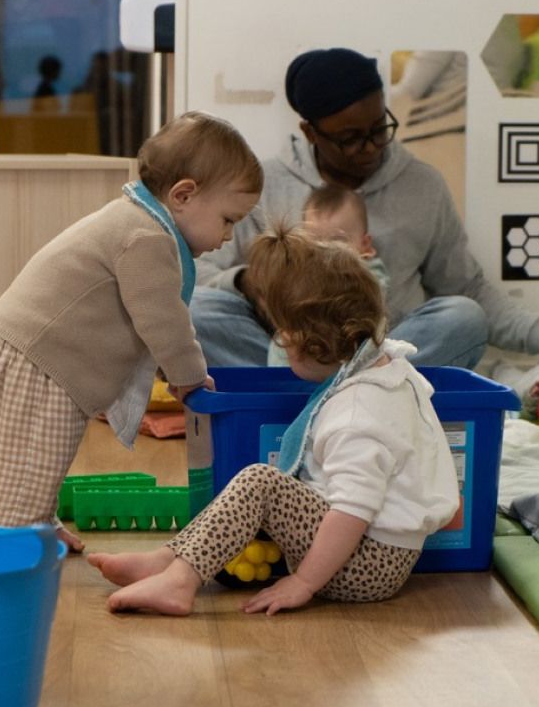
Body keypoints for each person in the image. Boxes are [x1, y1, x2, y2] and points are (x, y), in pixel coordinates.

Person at [88, 225, 460, 615]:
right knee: (261, 486)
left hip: (367, 564)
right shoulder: (388, 367)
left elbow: (353, 512)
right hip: (373, 553)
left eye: (284, 339)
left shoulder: (359, 412)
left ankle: (180, 582)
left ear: (315, 343)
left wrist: (304, 582)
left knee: (260, 483)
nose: (280, 347)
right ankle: (170, 561)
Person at [0, 111, 263, 551]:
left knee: (40, 461)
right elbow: (162, 317)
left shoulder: (138, 221)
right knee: (25, 464)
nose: (228, 236)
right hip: (35, 361)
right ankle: (7, 548)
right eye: (228, 219)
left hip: (31, 356)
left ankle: (35, 521)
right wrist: (188, 374)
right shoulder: (146, 237)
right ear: (183, 195)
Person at [190, 46, 539, 369]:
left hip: (388, 352)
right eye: (350, 138)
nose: (370, 147)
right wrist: (243, 282)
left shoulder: (423, 185)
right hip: (289, 354)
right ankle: (340, 388)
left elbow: (467, 288)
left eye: (379, 129)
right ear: (311, 133)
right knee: (198, 311)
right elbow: (199, 271)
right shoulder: (264, 185)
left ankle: (344, 388)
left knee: (464, 318)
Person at [265, 183, 388, 366]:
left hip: (356, 348)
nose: (325, 254)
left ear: (365, 245)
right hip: (309, 347)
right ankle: (284, 381)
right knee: (283, 339)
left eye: (337, 242)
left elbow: (370, 307)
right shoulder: (301, 274)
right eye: (315, 243)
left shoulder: (369, 275)